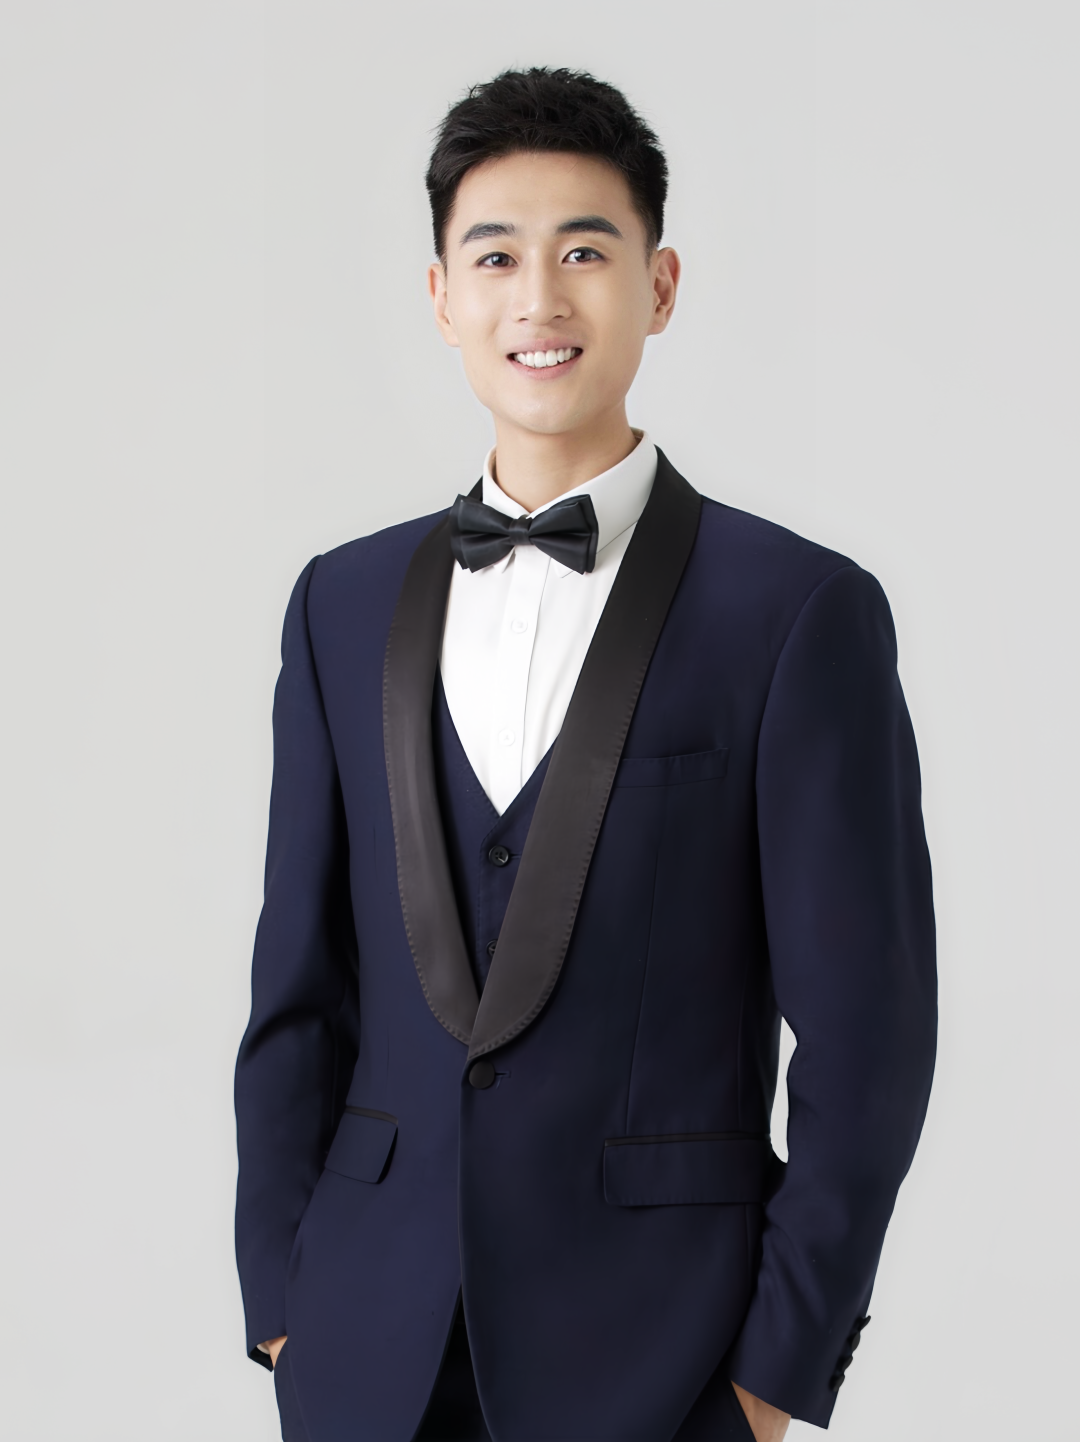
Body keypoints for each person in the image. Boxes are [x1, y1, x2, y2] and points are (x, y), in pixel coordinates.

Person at [234, 67, 937, 1442]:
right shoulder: (340, 603)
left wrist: (771, 1380)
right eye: (496, 257)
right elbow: (297, 992)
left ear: (658, 287)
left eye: (585, 252)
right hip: (364, 1354)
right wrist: (282, 1298)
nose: (539, 299)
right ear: (442, 295)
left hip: (665, 1361)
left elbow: (870, 1040)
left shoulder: (797, 612)